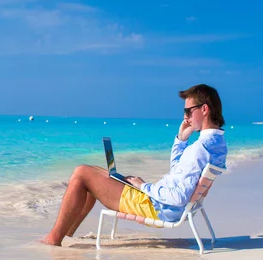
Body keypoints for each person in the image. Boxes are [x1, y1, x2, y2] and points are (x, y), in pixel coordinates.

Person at [40, 84, 228, 246]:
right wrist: (181, 140)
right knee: (97, 173)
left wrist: (144, 187)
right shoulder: (216, 144)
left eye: (188, 111)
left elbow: (179, 197)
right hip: (163, 204)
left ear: (204, 109)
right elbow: (177, 173)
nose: (185, 117)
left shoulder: (199, 149)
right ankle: (67, 233)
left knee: (82, 173)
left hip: (157, 208)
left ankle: (54, 239)